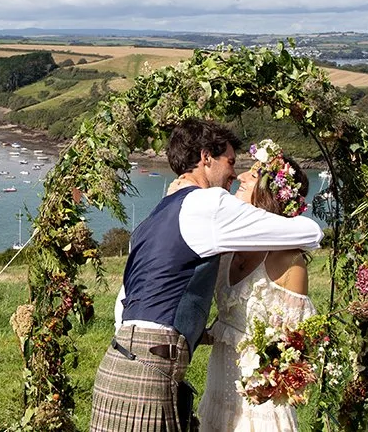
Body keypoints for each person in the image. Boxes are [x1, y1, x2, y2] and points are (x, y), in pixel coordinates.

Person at [89, 119, 323, 432]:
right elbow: (310, 231)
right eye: (230, 161)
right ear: (205, 158)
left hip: (119, 361)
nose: (236, 174)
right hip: (152, 366)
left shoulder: (155, 217)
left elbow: (125, 302)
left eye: (247, 172)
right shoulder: (210, 205)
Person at [196, 139, 315, 432]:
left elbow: (296, 347)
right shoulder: (226, 247)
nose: (241, 177)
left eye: (254, 173)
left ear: (271, 193)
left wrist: (264, 385)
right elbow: (229, 326)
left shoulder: (288, 260)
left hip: (260, 405)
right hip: (218, 387)